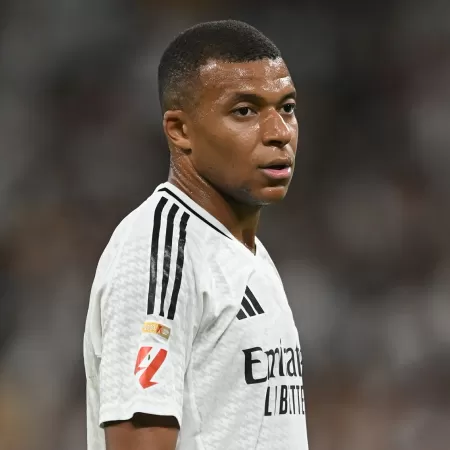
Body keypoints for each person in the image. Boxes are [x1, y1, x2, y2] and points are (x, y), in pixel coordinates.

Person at [84, 19, 309, 450]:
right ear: (180, 130)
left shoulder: (245, 252)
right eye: (245, 111)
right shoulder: (161, 251)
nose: (279, 133)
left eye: (286, 107)